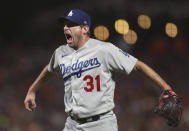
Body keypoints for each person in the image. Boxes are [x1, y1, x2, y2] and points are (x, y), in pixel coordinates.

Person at [24, 9, 177, 131]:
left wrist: (166, 87)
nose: (65, 27)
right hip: (72, 124)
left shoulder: (104, 50)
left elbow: (137, 65)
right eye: (65, 24)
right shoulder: (61, 53)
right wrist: (32, 90)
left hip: (101, 124)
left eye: (71, 25)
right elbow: (49, 69)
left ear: (84, 29)